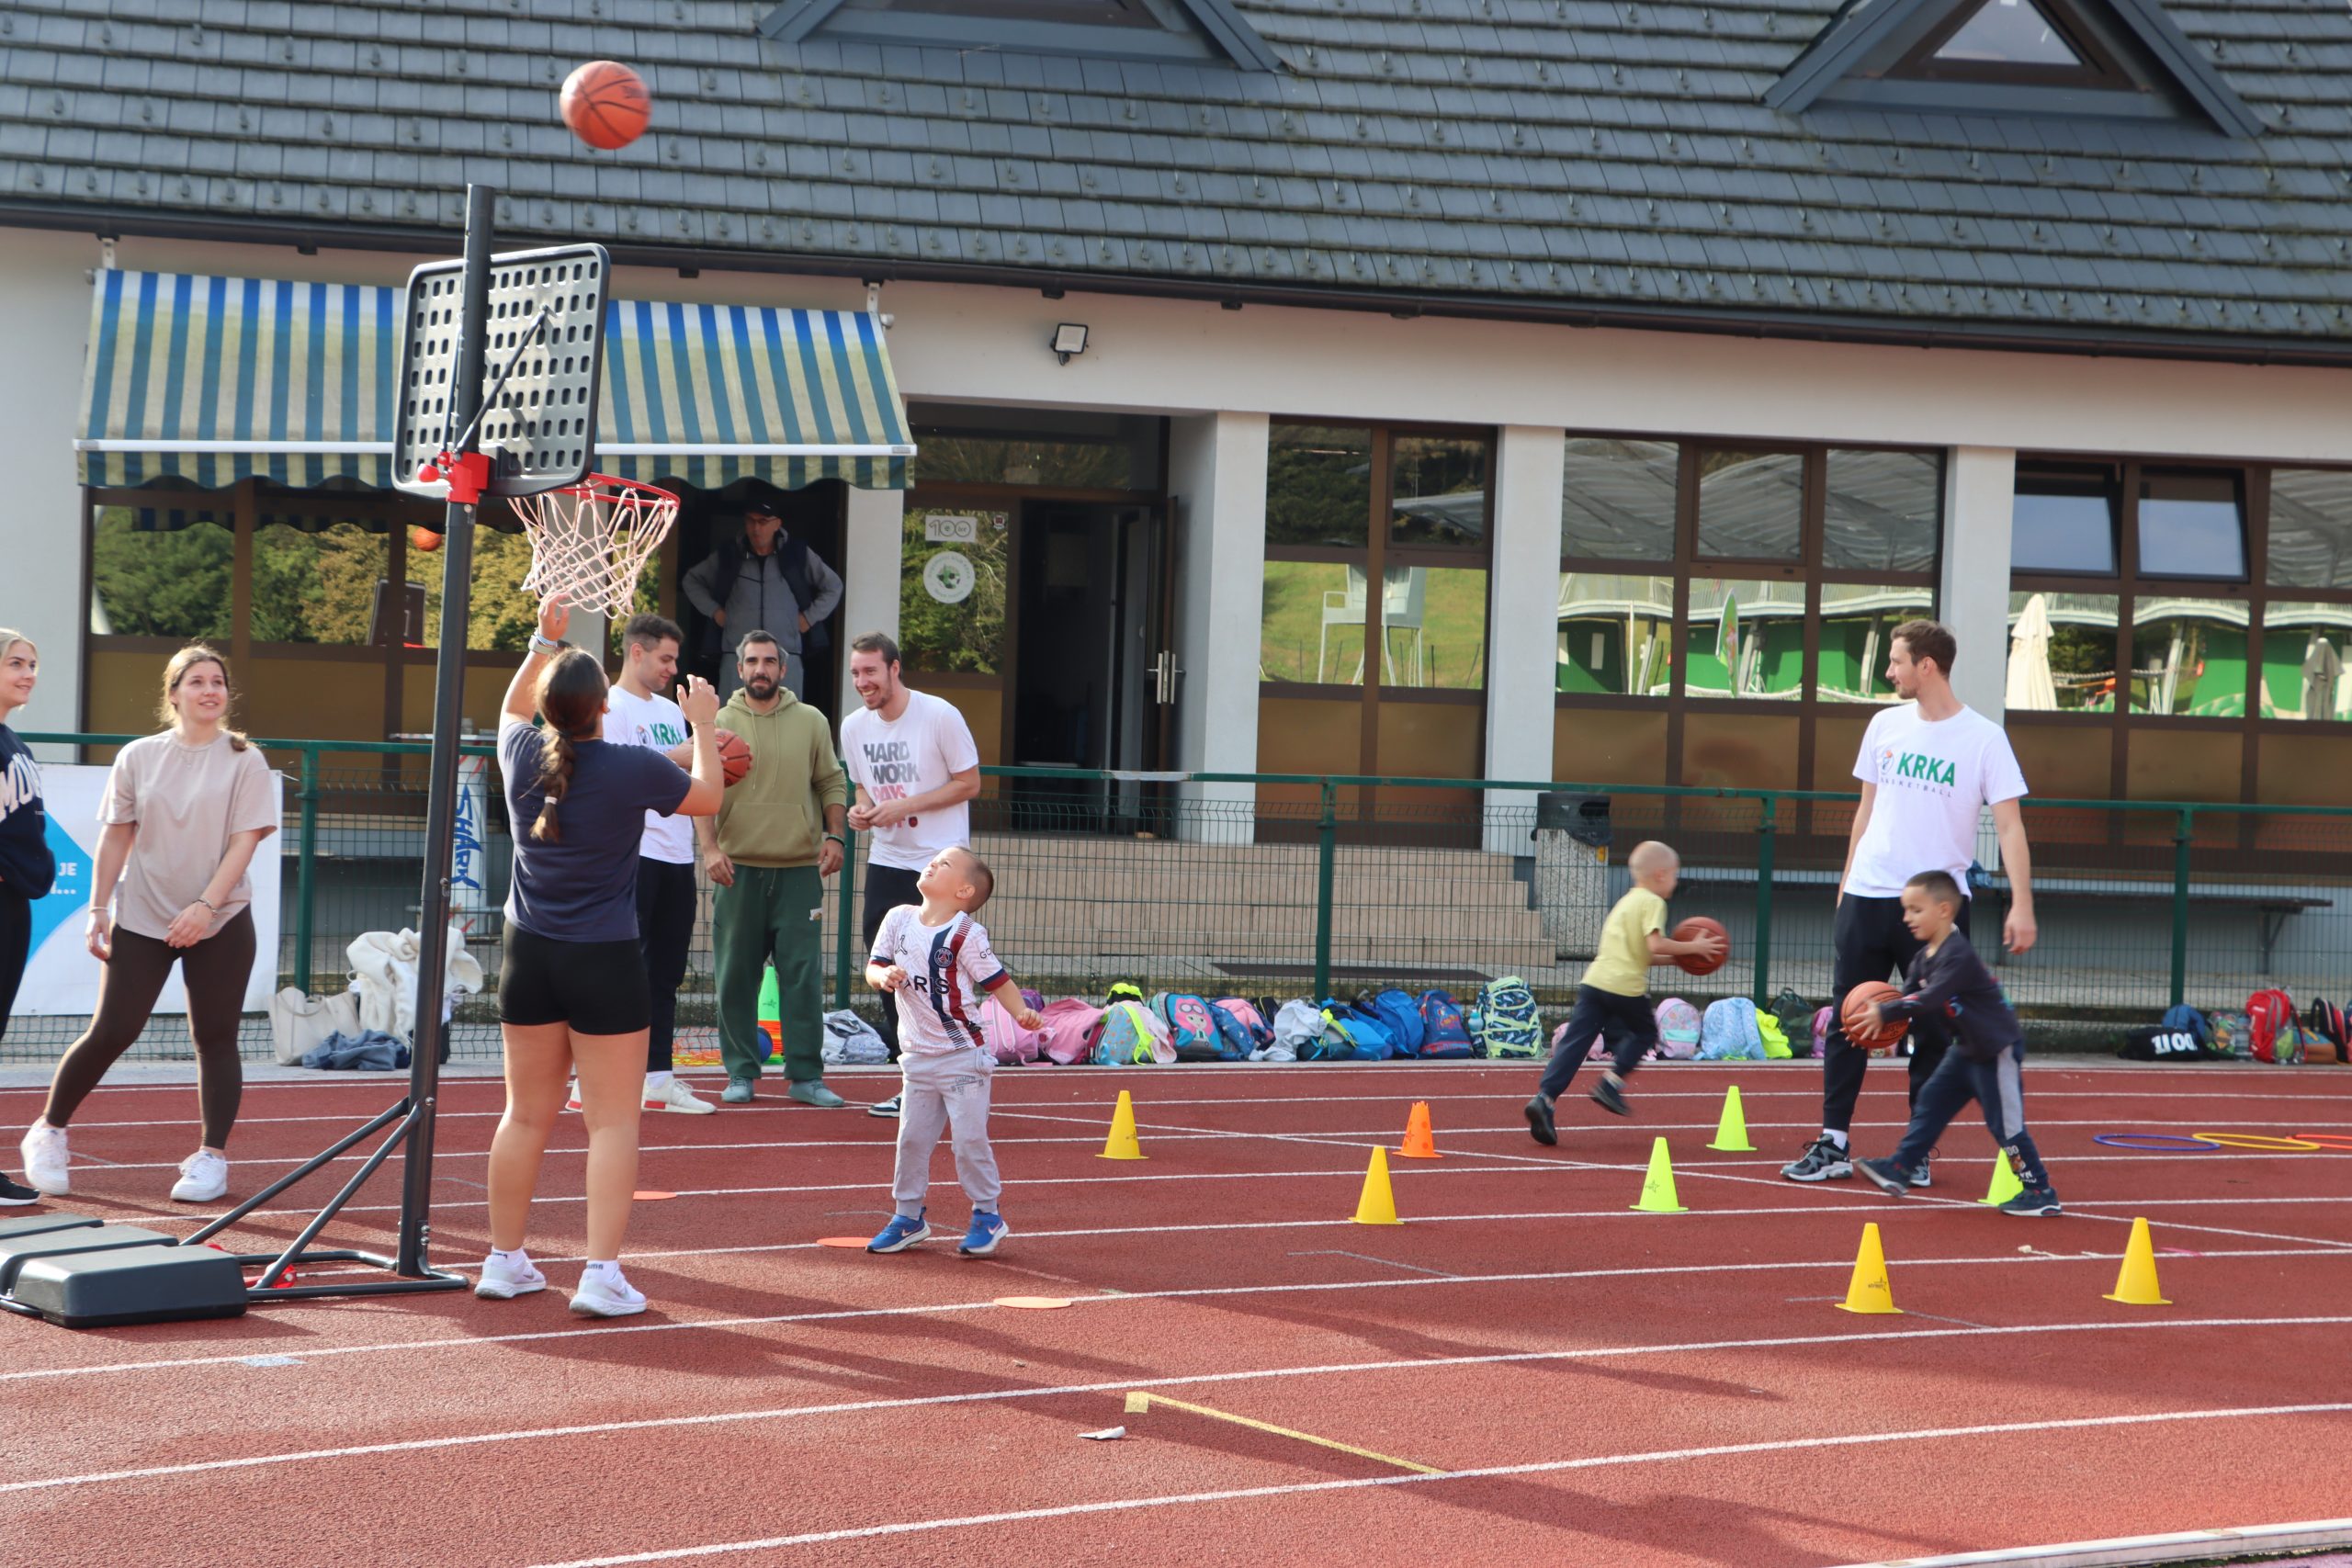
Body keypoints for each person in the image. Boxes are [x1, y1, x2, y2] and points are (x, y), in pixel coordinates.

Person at [481, 597, 724, 1317]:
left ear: (549, 706)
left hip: (528, 955)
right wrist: (704, 725)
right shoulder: (630, 765)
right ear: (603, 709)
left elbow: (509, 710)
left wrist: (541, 638)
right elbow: (709, 794)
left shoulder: (521, 752)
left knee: (524, 1115)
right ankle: (599, 1273)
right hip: (605, 956)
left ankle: (503, 1259)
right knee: (612, 1123)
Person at [1782, 619, 2037, 1189]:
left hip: (1938, 909)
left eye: (1897, 661)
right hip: (1869, 893)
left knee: (1936, 1029)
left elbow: (2010, 827)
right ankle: (1833, 1142)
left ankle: (1915, 1152)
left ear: (1927, 665)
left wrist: (2022, 903)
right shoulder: (1884, 724)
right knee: (1849, 1019)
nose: (1889, 671)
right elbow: (1865, 811)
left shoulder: (1984, 738)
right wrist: (1845, 883)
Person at [17, 644, 276, 1204]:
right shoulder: (138, 755)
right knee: (114, 1030)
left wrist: (204, 907)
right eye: (197, 681)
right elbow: (116, 836)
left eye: (217, 681)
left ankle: (211, 1158)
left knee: (215, 1038)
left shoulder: (245, 759)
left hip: (221, 917)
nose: (210, 690)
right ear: (174, 693)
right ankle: (49, 1130)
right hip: (142, 914)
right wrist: (97, 908)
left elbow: (245, 841)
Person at [564, 612, 713, 1117]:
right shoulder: (611, 706)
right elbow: (615, 773)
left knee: (666, 973)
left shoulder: (671, 710)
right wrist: (681, 754)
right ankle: (588, 1079)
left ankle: (658, 1078)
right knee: (617, 969)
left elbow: (692, 783)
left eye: (675, 659)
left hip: (676, 854)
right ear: (636, 651)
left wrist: (707, 843)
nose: (672, 668)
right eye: (665, 658)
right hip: (633, 853)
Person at [864, 846, 1041, 1257]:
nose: (931, 863)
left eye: (943, 863)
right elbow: (873, 966)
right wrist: (882, 976)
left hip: (962, 1056)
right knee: (911, 1140)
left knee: (968, 1141)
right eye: (933, 860)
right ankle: (907, 1216)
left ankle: (987, 1213)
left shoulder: (967, 935)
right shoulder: (898, 917)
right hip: (916, 1057)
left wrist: (1021, 1013)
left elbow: (998, 981)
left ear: (963, 891)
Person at [1853, 870, 2061, 1216]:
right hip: (1965, 1049)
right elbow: (1908, 1003)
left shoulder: (1958, 954)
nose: (1907, 918)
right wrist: (1878, 1028)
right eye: (1905, 910)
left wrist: (1886, 1012)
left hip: (1996, 1049)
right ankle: (1901, 1168)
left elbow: (1930, 998)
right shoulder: (1922, 959)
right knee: (1931, 1101)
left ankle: (2040, 1190)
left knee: (2005, 1126)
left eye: (1916, 909)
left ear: (1944, 910)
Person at [701, 630, 850, 1107]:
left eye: (769, 661)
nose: (760, 669)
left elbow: (831, 782)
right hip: (737, 869)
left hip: (798, 871)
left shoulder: (811, 720)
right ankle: (741, 1072)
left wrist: (836, 835)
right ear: (740, 669)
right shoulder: (718, 722)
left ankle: (806, 1076)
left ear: (783, 670)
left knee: (803, 978)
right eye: (752, 661)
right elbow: (700, 788)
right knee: (735, 978)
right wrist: (709, 849)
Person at [839, 632, 981, 1119]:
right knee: (887, 968)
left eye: (871, 671)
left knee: (941, 971)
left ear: (895, 669)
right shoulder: (854, 727)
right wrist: (861, 811)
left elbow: (970, 783)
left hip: (940, 861)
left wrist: (905, 806)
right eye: (856, 673)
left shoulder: (939, 715)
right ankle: (915, 1079)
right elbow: (861, 786)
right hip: (887, 857)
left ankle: (960, 1069)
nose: (862, 682)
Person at [1523, 840, 1724, 1142]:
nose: (1675, 881)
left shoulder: (1626, 902)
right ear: (1660, 874)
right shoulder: (1654, 902)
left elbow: (1644, 954)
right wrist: (1693, 947)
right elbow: (1655, 944)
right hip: (1625, 987)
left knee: (1576, 1042)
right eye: (1674, 875)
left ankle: (1545, 1099)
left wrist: (1679, 959)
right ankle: (1611, 1083)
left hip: (1595, 983)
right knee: (1645, 1034)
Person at [681, 500, 842, 701]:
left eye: (763, 521)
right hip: (737, 656)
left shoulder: (796, 554)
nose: (756, 528)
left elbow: (833, 586)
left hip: (786, 655)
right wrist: (715, 611)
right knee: (733, 717)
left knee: (788, 716)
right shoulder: (730, 554)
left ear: (777, 524)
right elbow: (691, 581)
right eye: (751, 521)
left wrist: (808, 618)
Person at [0, 629, 54, 1205]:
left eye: (32, 664)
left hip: (14, 903)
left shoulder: (13, 741)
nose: (28, 674)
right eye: (16, 663)